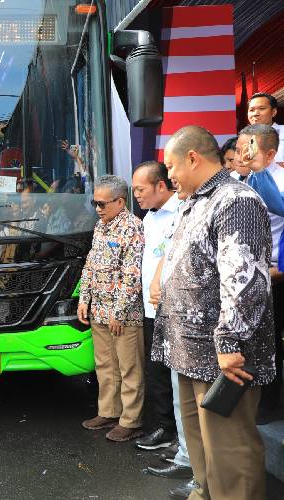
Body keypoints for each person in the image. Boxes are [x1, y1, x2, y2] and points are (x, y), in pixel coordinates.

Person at [155, 125, 274, 500]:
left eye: (171, 167)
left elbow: (245, 279)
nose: (169, 175)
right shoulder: (196, 201)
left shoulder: (236, 201)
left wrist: (229, 339)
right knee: (204, 452)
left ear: (192, 158)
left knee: (229, 454)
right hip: (191, 350)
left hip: (224, 356)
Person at [77, 175, 145, 442]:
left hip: (124, 314)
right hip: (99, 310)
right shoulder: (100, 226)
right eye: (95, 203)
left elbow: (132, 274)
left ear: (120, 201)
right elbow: (90, 266)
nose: (98, 209)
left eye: (103, 204)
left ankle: (131, 420)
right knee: (105, 365)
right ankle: (109, 411)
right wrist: (84, 299)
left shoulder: (133, 227)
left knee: (129, 368)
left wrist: (119, 311)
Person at [131, 162, 186, 472]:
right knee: (157, 373)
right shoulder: (150, 217)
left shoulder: (181, 213)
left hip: (173, 310)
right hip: (150, 310)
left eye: (141, 189)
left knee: (177, 377)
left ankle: (182, 438)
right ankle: (166, 428)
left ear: (161, 186)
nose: (136, 195)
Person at [147, 180, 197, 499]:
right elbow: (168, 253)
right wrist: (156, 280)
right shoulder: (182, 209)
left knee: (197, 406)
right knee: (182, 398)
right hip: (172, 316)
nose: (173, 177)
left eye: (176, 169)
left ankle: (200, 473)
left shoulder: (226, 203)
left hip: (196, 324)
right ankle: (186, 459)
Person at [235, 124, 284, 423]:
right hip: (245, 278)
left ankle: (269, 406)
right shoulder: (242, 179)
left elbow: (279, 207)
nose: (242, 154)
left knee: (271, 343)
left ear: (270, 152)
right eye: (241, 148)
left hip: (274, 276)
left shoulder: (277, 180)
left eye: (249, 148)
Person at [247, 92, 284, 167]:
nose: (255, 113)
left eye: (261, 108)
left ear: (273, 112)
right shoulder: (244, 138)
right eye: (251, 110)